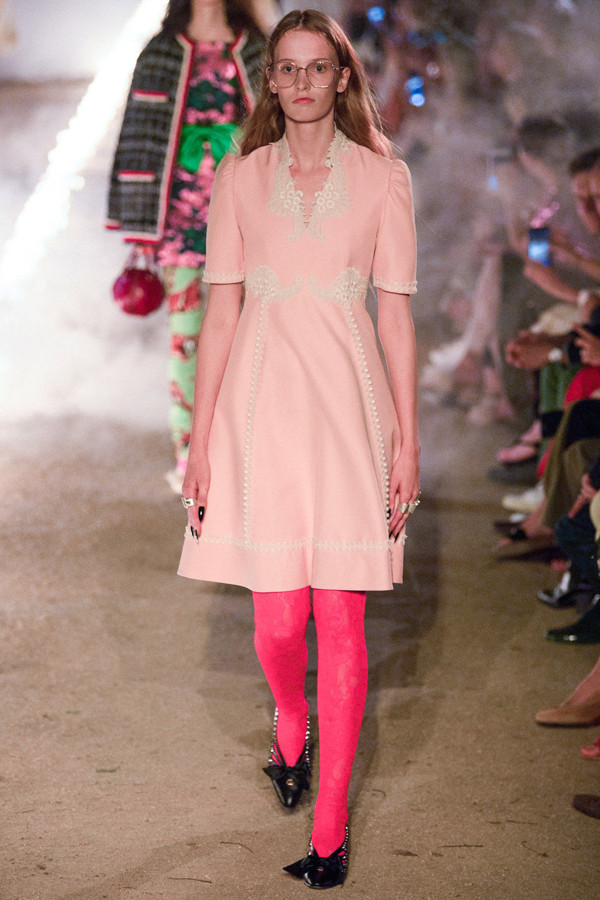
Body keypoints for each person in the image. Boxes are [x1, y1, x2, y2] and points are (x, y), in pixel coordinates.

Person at [177, 9, 420, 888]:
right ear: (270, 79)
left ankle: (329, 831)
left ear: (343, 77)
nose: (304, 82)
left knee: (341, 620)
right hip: (261, 406)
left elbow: (396, 317)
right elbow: (221, 312)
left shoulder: (384, 178)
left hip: (350, 410)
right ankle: (291, 720)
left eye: (320, 67)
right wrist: (201, 440)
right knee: (279, 621)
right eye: (289, 68)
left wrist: (408, 442)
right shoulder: (240, 178)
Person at [107, 0, 268, 492]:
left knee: (249, 336)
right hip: (180, 216)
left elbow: (285, 129)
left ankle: (246, 451)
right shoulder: (161, 50)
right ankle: (189, 455)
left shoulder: (257, 48)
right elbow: (141, 135)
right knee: (188, 340)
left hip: (244, 215)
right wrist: (140, 220)